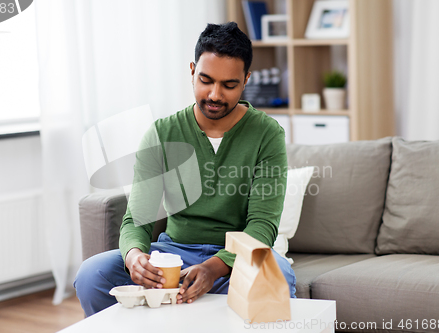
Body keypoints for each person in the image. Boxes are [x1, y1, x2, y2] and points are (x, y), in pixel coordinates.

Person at [74, 22, 296, 317]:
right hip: (172, 256)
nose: (215, 94)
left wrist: (213, 268)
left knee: (277, 274)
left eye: (229, 85)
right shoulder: (162, 132)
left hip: (235, 260)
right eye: (206, 80)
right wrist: (135, 256)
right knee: (92, 274)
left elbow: (262, 227)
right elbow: (137, 219)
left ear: (245, 81)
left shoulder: (267, 134)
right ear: (192, 71)